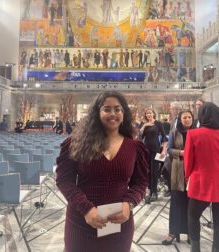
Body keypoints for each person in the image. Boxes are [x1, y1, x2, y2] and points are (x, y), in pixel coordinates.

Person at [56, 91, 149, 252]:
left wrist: (129, 204)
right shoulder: (76, 143)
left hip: (118, 223)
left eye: (117, 109)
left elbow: (140, 183)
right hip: (81, 221)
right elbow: (64, 180)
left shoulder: (134, 147)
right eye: (107, 109)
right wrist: (86, 209)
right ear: (97, 113)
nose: (113, 114)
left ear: (123, 113)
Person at [184, 102, 219, 252]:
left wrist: (187, 177)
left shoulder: (193, 134)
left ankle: (195, 249)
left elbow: (188, 160)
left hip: (200, 182)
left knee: (193, 215)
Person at [162, 110, 194, 245]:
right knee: (176, 202)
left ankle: (190, 233)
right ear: (180, 119)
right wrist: (181, 152)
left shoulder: (197, 132)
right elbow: (169, 150)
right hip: (178, 170)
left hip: (193, 172)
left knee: (191, 204)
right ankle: (173, 232)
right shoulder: (174, 132)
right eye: (184, 117)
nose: (187, 119)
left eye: (189, 117)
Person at [141, 107, 168, 203]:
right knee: (147, 171)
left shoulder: (158, 123)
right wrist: (144, 126)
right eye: (147, 113)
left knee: (154, 171)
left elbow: (164, 136)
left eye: (150, 113)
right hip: (146, 150)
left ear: (153, 114)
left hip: (156, 149)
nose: (148, 114)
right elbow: (140, 136)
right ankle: (149, 191)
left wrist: (164, 149)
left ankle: (154, 192)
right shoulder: (144, 124)